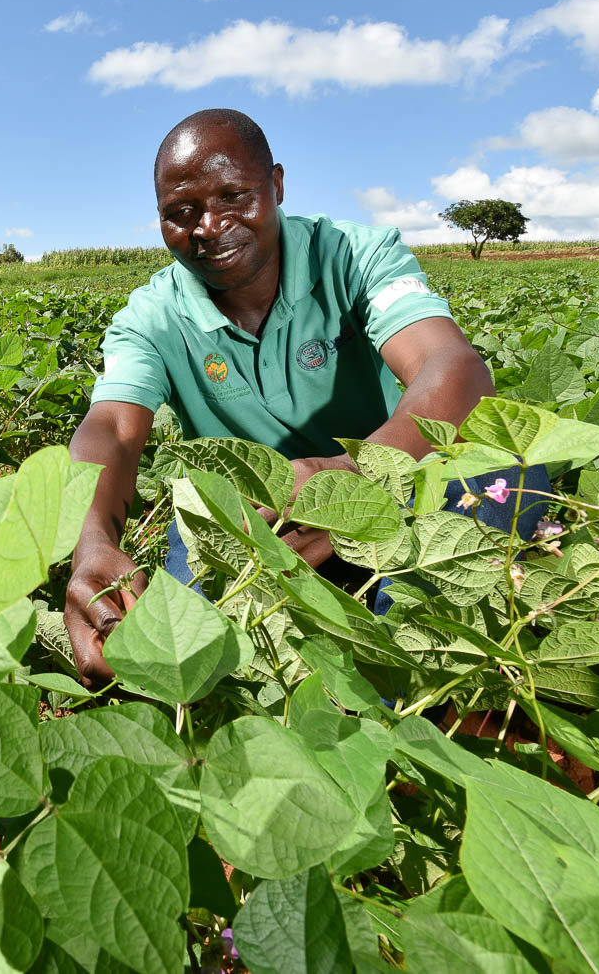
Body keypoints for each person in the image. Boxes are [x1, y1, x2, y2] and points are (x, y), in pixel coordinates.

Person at [63, 108, 533, 688]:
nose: (209, 226)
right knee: (188, 653)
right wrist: (91, 543)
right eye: (181, 213)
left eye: (234, 195)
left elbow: (452, 367)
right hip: (254, 520)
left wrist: (351, 479)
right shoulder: (153, 316)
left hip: (397, 482)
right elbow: (111, 425)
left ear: (277, 185)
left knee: (499, 495)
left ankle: (415, 697)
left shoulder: (354, 256)